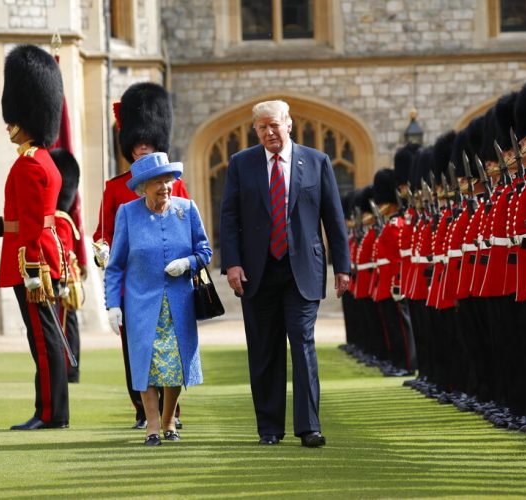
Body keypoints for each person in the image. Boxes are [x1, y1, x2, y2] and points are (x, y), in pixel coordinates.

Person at [220, 99, 350, 447]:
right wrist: (231, 263)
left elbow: (333, 219)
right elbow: (229, 218)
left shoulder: (317, 161)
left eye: (274, 125)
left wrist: (343, 267)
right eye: (262, 127)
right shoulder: (241, 164)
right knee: (264, 350)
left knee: (302, 343)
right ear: (256, 130)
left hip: (303, 270)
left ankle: (309, 428)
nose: (269, 132)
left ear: (289, 124)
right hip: (256, 272)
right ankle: (269, 429)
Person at [0, 44, 68, 430]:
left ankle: (50, 415)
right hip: (40, 256)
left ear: (26, 118)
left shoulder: (28, 166)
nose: (8, 125)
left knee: (43, 342)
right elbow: (26, 219)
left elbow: (29, 226)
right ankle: (52, 411)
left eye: (13, 120)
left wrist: (29, 269)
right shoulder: (42, 161)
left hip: (33, 261)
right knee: (43, 339)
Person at [92, 82, 189, 430]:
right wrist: (101, 248)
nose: (140, 146)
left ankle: (171, 412)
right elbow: (102, 232)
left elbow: (187, 225)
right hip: (133, 280)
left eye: (145, 140)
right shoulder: (115, 187)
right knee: (137, 347)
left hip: (169, 277)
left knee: (172, 344)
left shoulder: (174, 184)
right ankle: (142, 409)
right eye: (134, 142)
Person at [105, 152, 211, 446]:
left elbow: (205, 250)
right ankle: (152, 426)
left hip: (179, 301)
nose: (166, 187)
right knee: (146, 364)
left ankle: (169, 421)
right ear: (143, 187)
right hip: (141, 303)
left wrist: (188, 263)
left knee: (174, 365)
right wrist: (113, 304)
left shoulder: (187, 209)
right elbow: (115, 265)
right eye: (158, 182)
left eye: (169, 180)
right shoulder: (127, 213)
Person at [50, 148, 84, 383]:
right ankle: (69, 367)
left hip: (63, 278)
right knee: (66, 322)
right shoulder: (62, 217)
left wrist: (61, 281)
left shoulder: (60, 219)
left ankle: (70, 368)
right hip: (65, 276)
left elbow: (61, 249)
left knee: (65, 323)